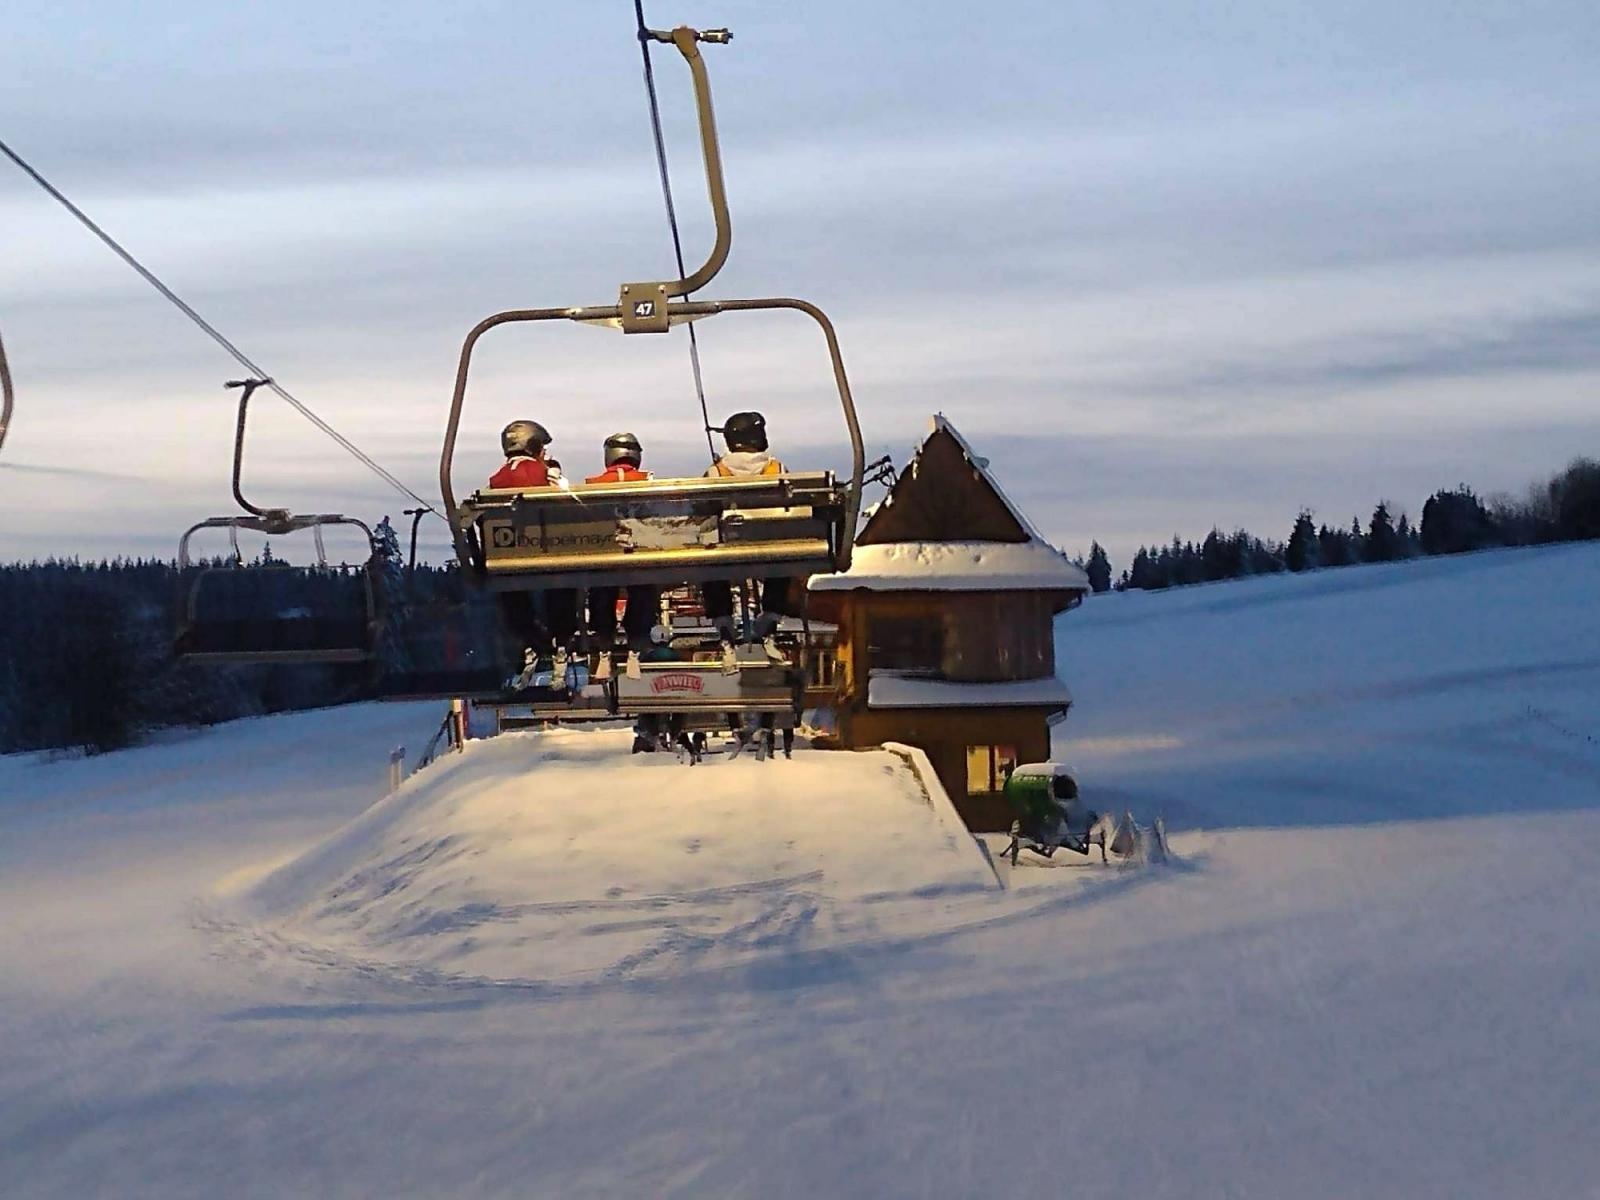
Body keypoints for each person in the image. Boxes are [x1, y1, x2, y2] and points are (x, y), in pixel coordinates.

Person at [489, 420, 577, 678]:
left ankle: (530, 639)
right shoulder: (544, 472)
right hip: (548, 549)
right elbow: (565, 501)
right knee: (562, 583)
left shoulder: (497, 478)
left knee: (513, 590)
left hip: (508, 554)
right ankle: (561, 637)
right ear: (534, 446)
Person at [701, 412, 791, 658]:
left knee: (707, 562)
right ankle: (770, 618)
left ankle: (723, 623)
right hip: (769, 552)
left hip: (728, 553)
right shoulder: (777, 468)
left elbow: (703, 515)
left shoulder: (717, 472)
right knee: (785, 560)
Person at [585, 432, 659, 649]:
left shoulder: (592, 484)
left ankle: (603, 633)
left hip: (604, 555)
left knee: (601, 587)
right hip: (641, 553)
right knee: (644, 587)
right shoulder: (648, 481)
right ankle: (638, 635)